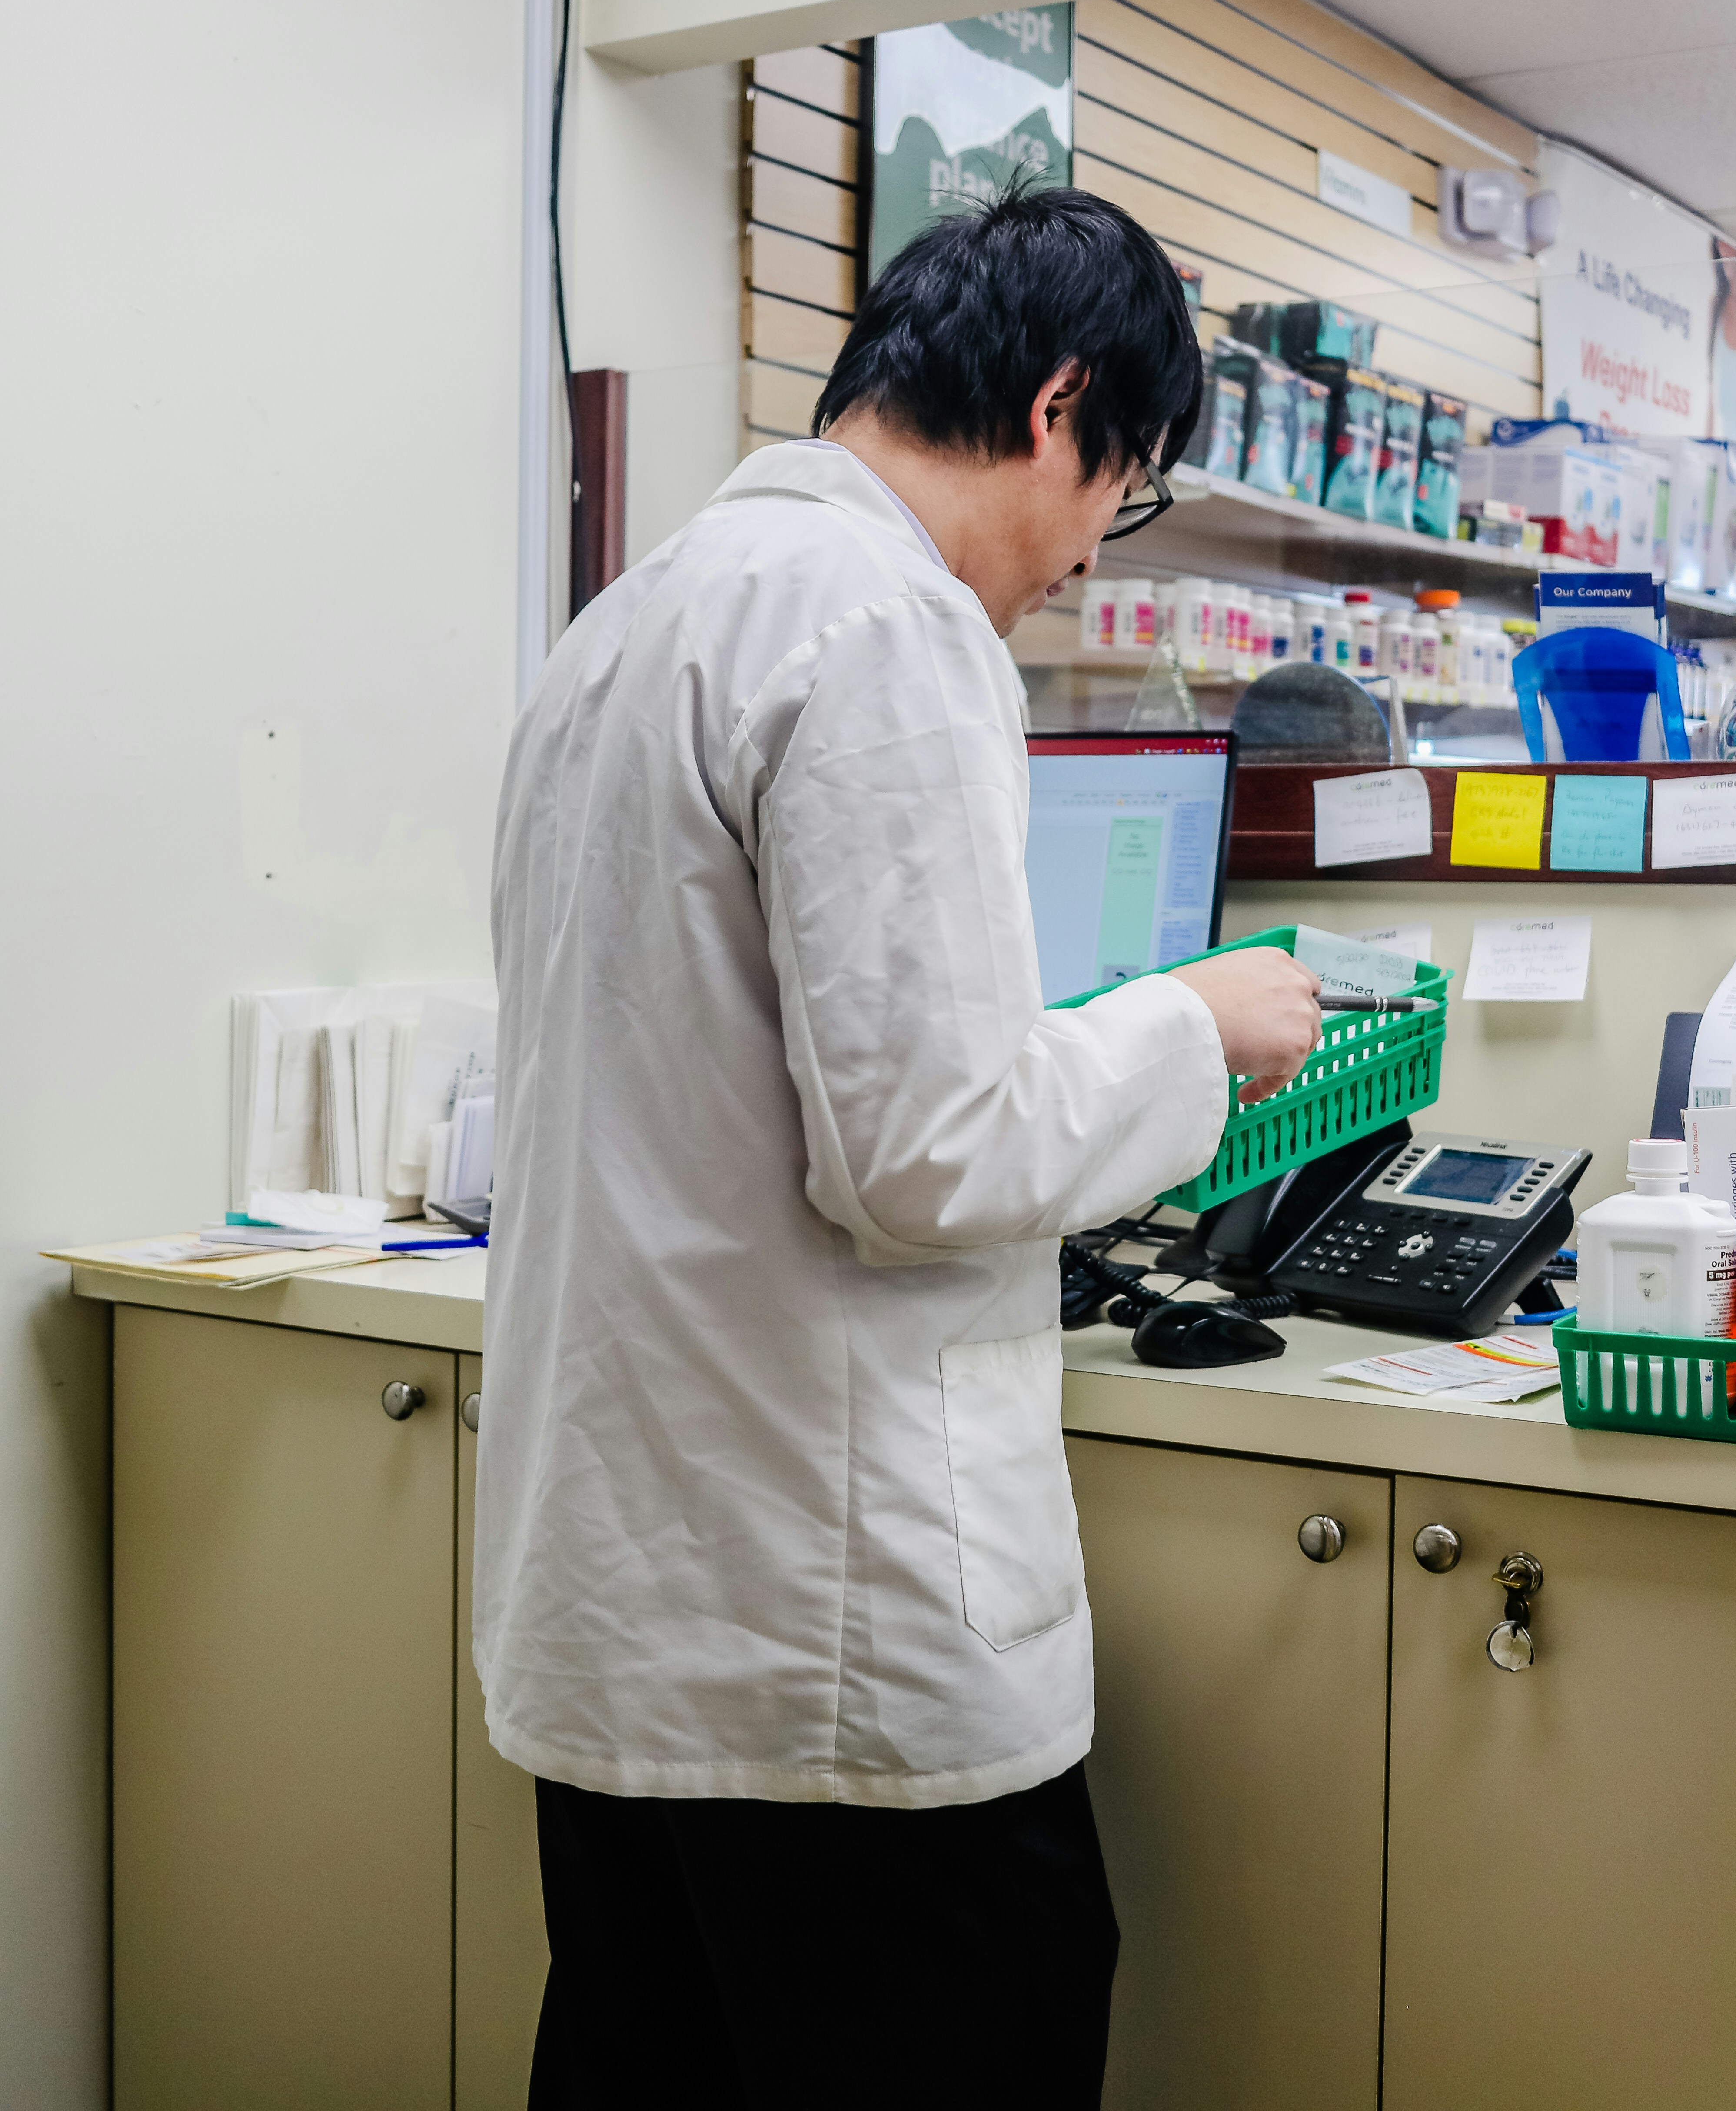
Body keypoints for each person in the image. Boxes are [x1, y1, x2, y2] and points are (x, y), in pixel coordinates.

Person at [478, 184, 1323, 2108]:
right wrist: (1191, 1022)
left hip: (626, 1622)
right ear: (1057, 405)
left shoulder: (631, 622)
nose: (1096, 559)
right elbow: (929, 1151)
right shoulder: (885, 626)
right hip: (820, 1647)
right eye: (1125, 490)